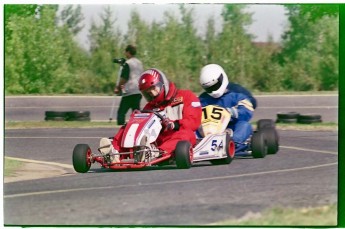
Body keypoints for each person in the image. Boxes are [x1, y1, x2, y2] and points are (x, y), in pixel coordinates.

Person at [101, 68, 202, 163]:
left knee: (185, 134)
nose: (152, 94)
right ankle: (114, 152)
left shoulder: (186, 96)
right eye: (147, 93)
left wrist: (175, 124)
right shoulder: (150, 106)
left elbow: (194, 121)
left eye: (153, 89)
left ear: (163, 84)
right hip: (156, 140)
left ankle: (156, 153)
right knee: (128, 127)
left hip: (178, 136)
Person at [198, 64, 254, 145]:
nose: (213, 91)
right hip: (205, 131)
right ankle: (193, 144)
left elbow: (247, 111)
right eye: (209, 88)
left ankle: (232, 143)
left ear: (222, 78)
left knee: (245, 125)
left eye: (215, 86)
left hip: (229, 129)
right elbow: (193, 112)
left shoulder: (237, 97)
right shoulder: (203, 99)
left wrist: (233, 112)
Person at [114, 44, 144, 125]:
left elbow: (124, 78)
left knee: (121, 112)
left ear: (128, 52)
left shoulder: (128, 63)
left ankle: (120, 126)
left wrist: (118, 88)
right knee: (136, 112)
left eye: (125, 51)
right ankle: (138, 125)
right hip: (138, 90)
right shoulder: (139, 63)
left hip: (129, 90)